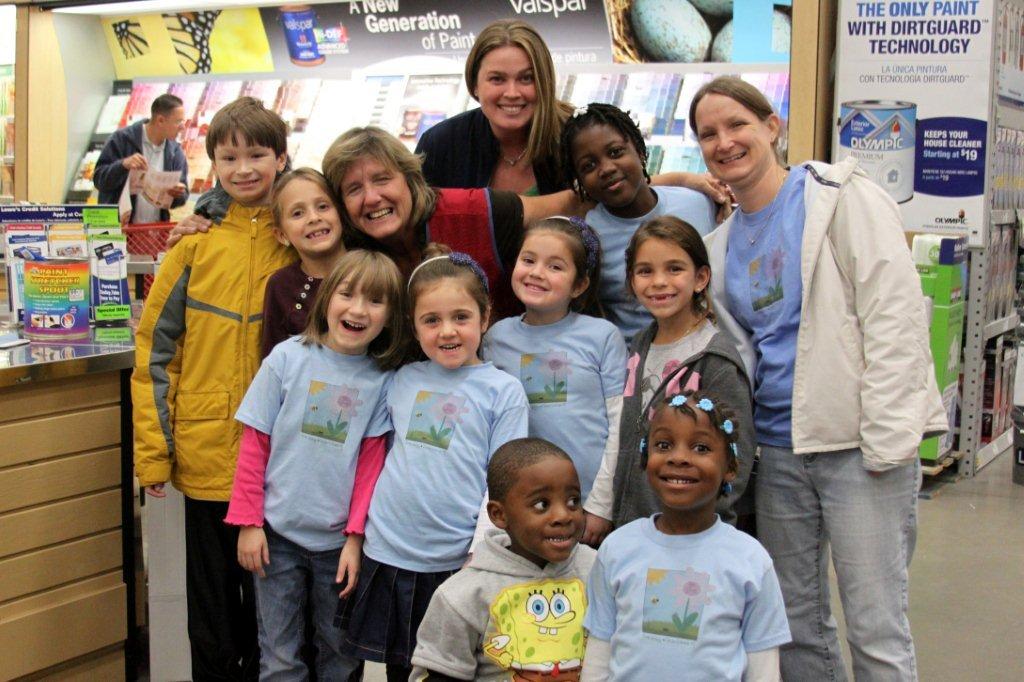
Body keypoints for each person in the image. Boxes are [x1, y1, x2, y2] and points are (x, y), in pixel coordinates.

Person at [690, 75, 947, 681]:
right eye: (708, 134)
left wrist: (887, 440)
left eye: (736, 125)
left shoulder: (840, 198)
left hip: (858, 446)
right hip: (779, 451)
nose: (724, 142)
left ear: (772, 126)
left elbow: (895, 317)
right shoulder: (721, 245)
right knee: (797, 624)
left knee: (875, 623)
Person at [132, 96, 295, 680]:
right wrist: (153, 452)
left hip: (286, 460)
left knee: (278, 614)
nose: (244, 168)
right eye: (230, 157)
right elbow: (155, 355)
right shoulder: (193, 247)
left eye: (257, 154)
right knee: (213, 614)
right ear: (213, 161)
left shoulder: (298, 237)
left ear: (282, 158)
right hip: (205, 456)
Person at [339, 249, 529, 681]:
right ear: (413, 325)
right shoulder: (402, 380)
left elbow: (506, 480)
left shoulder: (503, 391)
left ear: (485, 318)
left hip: (457, 561)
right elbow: (372, 456)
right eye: (431, 320)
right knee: (399, 672)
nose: (447, 331)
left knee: (453, 671)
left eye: (461, 317)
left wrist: (483, 553)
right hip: (388, 553)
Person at [225, 250, 405, 680]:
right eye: (347, 294)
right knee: (280, 655)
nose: (358, 309)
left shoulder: (382, 381)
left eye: (375, 301)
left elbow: (370, 468)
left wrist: (356, 538)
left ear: (390, 317)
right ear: (327, 299)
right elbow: (255, 443)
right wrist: (249, 523)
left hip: (337, 547)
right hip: (275, 537)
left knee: (340, 654)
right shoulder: (287, 358)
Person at [582, 391, 790, 681]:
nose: (679, 458)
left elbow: (763, 668)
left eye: (701, 448)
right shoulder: (616, 548)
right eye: (664, 445)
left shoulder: (750, 559)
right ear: (645, 459)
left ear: (730, 467)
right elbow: (599, 652)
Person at [582, 216, 754, 545]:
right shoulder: (640, 345)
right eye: (645, 271)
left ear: (700, 278)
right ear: (631, 281)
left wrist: (706, 529)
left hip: (691, 535)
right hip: (633, 529)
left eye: (674, 269)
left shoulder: (714, 361)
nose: (659, 282)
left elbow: (736, 460)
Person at [322, 126, 587, 322]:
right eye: (354, 189)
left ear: (409, 178)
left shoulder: (476, 211)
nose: (372, 198)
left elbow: (573, 204)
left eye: (382, 180)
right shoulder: (345, 253)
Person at [410, 437, 597, 681]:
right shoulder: (463, 595)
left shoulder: (597, 569)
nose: (563, 515)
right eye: (542, 504)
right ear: (499, 514)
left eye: (573, 501)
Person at [482, 216, 627, 499]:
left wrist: (600, 505)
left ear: (579, 285)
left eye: (555, 266)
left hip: (586, 499)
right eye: (528, 260)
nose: (537, 272)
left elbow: (620, 424)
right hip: (520, 500)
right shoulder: (495, 338)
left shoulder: (603, 336)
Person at [561, 102, 717, 341]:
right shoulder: (587, 237)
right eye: (588, 166)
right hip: (633, 365)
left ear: (640, 151)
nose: (606, 169)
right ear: (579, 181)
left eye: (615, 152)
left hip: (703, 352)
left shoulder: (698, 204)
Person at [415, 19, 574, 195]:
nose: (512, 93)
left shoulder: (577, 138)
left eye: (526, 78)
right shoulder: (441, 143)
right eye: (497, 79)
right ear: (475, 84)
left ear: (545, 81)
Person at [260, 167, 347, 357]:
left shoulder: (371, 270)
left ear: (340, 212)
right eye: (298, 213)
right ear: (281, 235)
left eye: (323, 206)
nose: (314, 218)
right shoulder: (281, 285)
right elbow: (272, 359)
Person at [94, 93, 189, 223]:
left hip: (153, 234)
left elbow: (182, 196)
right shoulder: (121, 139)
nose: (183, 127)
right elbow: (99, 180)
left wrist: (178, 194)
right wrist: (123, 165)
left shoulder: (176, 152)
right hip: (117, 232)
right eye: (178, 122)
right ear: (160, 120)